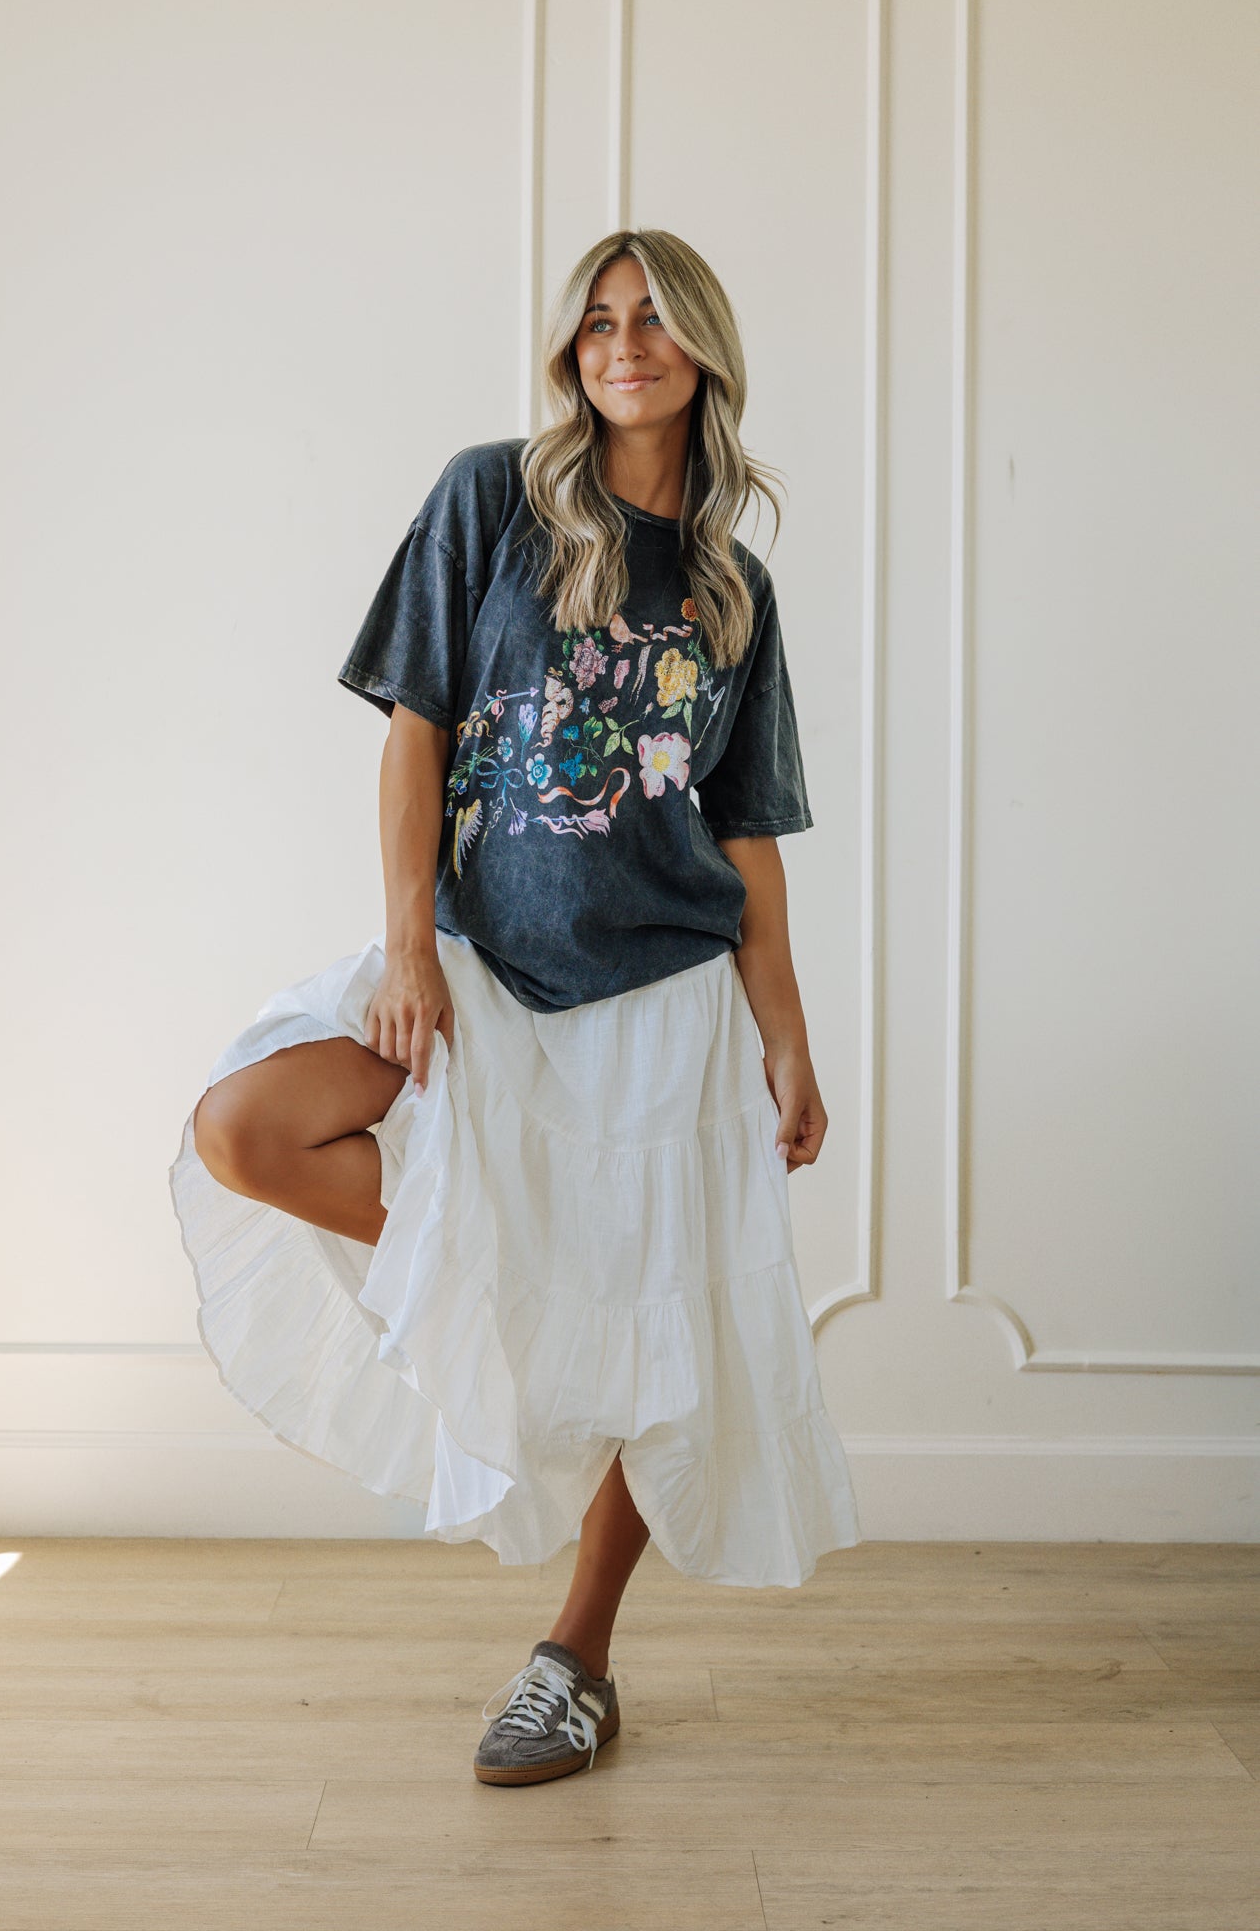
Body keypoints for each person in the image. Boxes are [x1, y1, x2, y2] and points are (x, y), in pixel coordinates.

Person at [168, 227, 860, 1789]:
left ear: (703, 352)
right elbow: (414, 730)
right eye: (598, 322)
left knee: (663, 1335)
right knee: (246, 1127)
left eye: (654, 320)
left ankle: (575, 1659)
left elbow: (746, 833)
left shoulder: (733, 589)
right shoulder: (492, 498)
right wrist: (408, 950)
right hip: (482, 962)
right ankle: (508, 1274)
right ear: (570, 351)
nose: (624, 344)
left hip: (665, 997)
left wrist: (788, 1037)